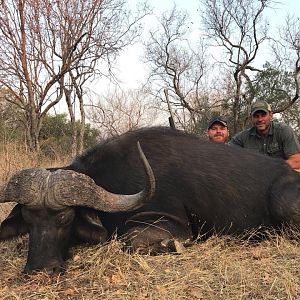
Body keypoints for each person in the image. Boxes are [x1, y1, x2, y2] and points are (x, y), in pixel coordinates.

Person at [229, 100, 300, 170]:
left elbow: (296, 161)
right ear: (251, 118)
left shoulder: (283, 130)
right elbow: (226, 151)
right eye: (256, 116)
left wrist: (271, 169)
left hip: (280, 176)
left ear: (271, 116)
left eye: (263, 115)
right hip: (255, 178)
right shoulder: (242, 137)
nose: (260, 119)